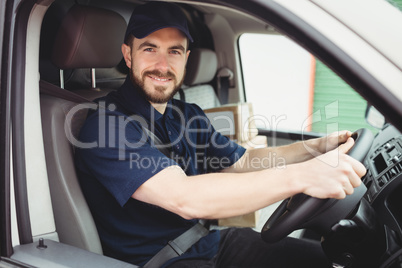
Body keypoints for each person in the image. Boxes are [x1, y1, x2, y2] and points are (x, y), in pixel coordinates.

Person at [75, 2, 366, 267]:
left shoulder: (188, 115)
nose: (162, 66)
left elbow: (244, 162)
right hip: (165, 261)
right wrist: (304, 176)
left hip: (214, 242)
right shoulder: (105, 126)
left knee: (328, 262)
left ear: (186, 58)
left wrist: (318, 148)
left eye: (174, 51)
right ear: (128, 55)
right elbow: (184, 198)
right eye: (149, 49)